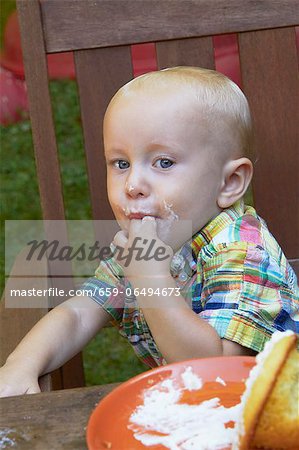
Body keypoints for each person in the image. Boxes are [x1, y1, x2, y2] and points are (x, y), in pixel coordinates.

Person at [0, 67, 298, 397]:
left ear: (229, 182)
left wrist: (151, 279)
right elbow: (78, 312)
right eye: (121, 163)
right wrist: (20, 364)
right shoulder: (146, 245)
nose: (133, 185)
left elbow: (213, 371)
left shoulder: (244, 253)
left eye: (164, 163)